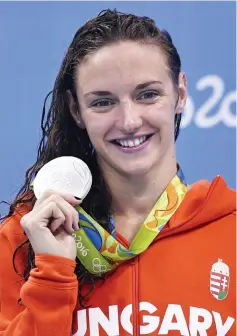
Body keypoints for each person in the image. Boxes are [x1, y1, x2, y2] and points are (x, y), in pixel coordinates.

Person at [0, 8, 235, 336]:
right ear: (75, 110)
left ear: (180, 94)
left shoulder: (230, 227)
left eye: (147, 95)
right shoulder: (26, 237)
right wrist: (52, 275)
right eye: (102, 102)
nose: (129, 121)